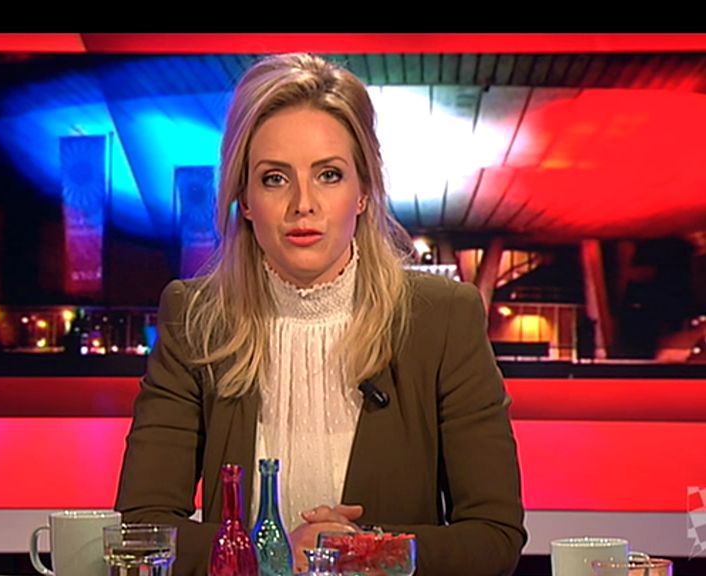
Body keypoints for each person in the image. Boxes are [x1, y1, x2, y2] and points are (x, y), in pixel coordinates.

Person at [115, 53, 526, 576]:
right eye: (274, 178)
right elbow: (143, 528)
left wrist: (362, 554)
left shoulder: (443, 319)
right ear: (244, 199)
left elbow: (494, 537)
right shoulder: (195, 319)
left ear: (363, 192)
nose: (302, 204)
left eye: (329, 175)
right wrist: (273, 554)